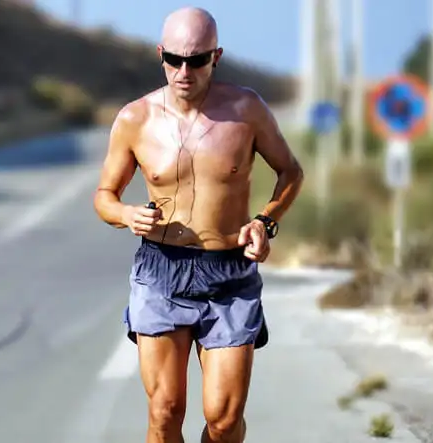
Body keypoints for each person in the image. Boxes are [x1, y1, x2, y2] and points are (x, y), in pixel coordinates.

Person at [92, 6, 304, 443]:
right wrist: (127, 214)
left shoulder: (246, 110)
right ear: (160, 55)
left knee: (224, 422)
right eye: (173, 59)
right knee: (166, 411)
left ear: (216, 57)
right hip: (161, 272)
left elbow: (290, 172)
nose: (183, 71)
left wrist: (266, 221)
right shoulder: (135, 118)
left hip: (229, 273)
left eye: (196, 60)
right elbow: (104, 197)